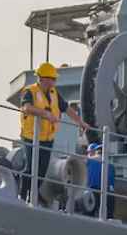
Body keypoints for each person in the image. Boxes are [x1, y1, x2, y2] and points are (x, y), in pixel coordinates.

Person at [17, 62, 89, 201]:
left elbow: (67, 109)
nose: (55, 81)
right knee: (31, 167)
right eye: (53, 79)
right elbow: (26, 108)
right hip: (31, 136)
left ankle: (34, 192)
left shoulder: (54, 93)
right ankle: (23, 194)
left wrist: (80, 122)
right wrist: (45, 114)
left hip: (47, 138)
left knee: (42, 170)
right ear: (44, 78)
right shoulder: (30, 91)